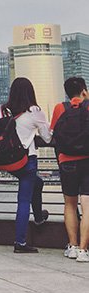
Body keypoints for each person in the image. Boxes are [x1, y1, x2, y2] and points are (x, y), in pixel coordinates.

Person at [1, 77, 52, 253]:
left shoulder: (6, 110)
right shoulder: (34, 111)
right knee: (23, 200)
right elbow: (47, 137)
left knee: (38, 183)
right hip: (27, 160)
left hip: (11, 161)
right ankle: (20, 242)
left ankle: (38, 216)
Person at [50, 77, 89, 262]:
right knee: (87, 206)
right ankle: (83, 250)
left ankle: (72, 247)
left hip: (66, 161)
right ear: (84, 90)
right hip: (87, 161)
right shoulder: (88, 106)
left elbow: (52, 134)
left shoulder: (60, 108)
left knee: (70, 205)